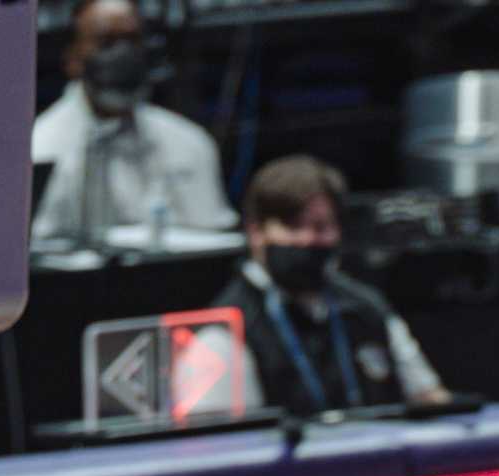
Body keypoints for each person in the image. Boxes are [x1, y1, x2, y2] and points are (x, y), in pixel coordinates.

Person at [211, 156, 449, 417]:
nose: (307, 239)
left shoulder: (366, 307)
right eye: (292, 226)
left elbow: (431, 398)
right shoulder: (226, 328)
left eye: (321, 227)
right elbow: (225, 446)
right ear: (256, 233)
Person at [32, 0, 236, 245]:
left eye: (133, 40)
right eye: (106, 42)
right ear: (72, 58)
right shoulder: (40, 148)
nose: (123, 54)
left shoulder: (190, 142)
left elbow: (215, 241)